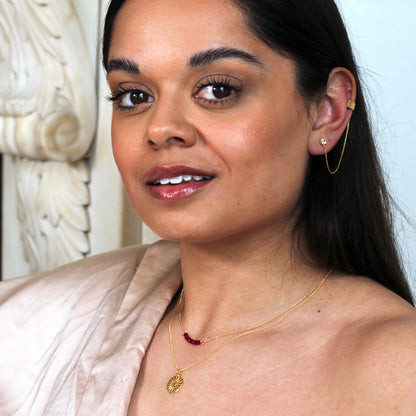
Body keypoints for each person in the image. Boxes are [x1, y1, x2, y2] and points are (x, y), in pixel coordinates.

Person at [1, 0, 415, 415]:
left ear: (328, 111)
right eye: (134, 95)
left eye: (218, 89)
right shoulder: (33, 327)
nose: (160, 128)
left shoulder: (397, 370)